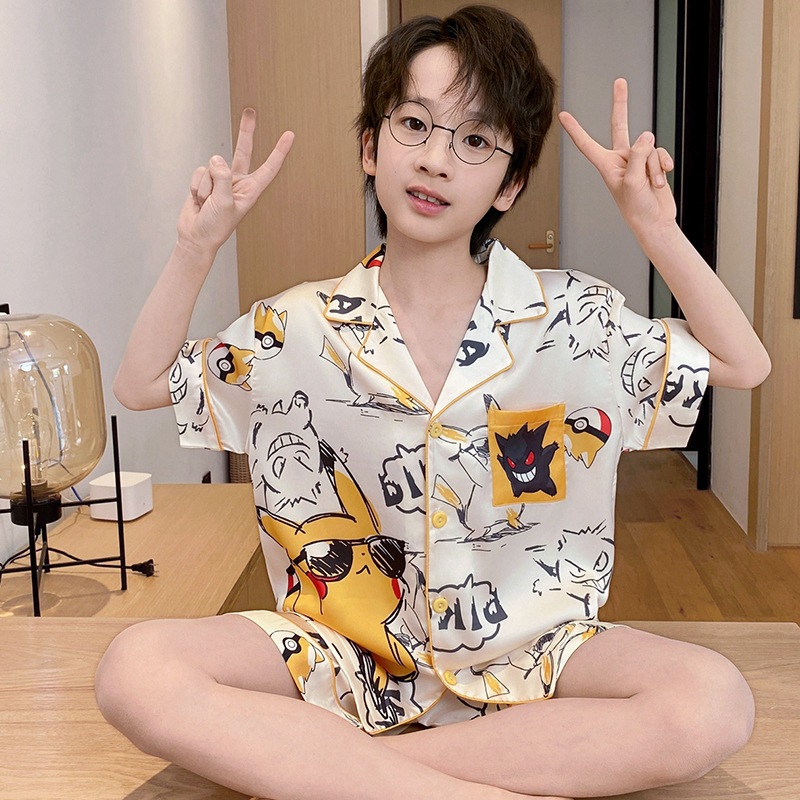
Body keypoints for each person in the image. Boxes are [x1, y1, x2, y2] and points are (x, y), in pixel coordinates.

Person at [95, 6, 769, 800]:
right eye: (414, 124)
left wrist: (657, 229)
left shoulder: (577, 320)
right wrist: (195, 246)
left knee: (713, 701)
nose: (437, 160)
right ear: (370, 145)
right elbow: (140, 383)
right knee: (135, 669)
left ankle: (340, 773)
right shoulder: (295, 328)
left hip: (534, 653)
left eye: (476, 140)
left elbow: (743, 362)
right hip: (345, 655)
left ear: (510, 184)